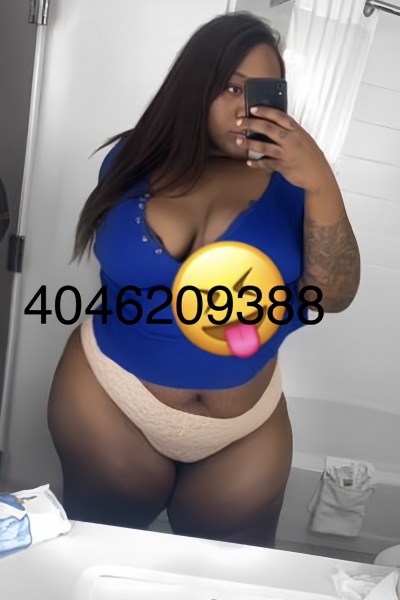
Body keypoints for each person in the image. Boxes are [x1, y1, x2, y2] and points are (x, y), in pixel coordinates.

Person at [47, 12, 360, 548]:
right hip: (112, 399)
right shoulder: (133, 158)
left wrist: (320, 181)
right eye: (231, 88)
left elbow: (333, 296)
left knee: (232, 572)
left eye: (261, 92)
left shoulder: (296, 185)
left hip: (244, 430)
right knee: (100, 549)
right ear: (195, 86)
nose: (246, 110)